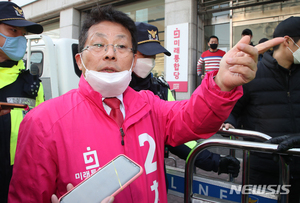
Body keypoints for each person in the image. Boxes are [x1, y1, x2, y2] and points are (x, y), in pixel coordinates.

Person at [8, 5, 282, 203]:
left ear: (132, 58)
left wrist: (221, 84)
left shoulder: (150, 105)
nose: (111, 55)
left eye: (122, 46)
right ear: (79, 60)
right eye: (98, 45)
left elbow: (192, 118)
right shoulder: (43, 121)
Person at [131, 22, 240, 183]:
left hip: (155, 179)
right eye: (145, 55)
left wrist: (214, 161)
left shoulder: (160, 89)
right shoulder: (113, 91)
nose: (150, 61)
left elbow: (180, 133)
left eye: (154, 56)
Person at [223, 16, 300, 202]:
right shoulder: (253, 74)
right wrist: (229, 123)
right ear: (288, 41)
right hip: (263, 169)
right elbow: (234, 109)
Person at [0, 1, 44, 203]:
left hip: (19, 179)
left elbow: (43, 134)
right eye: (13, 30)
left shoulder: (33, 84)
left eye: (23, 34)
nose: (20, 39)